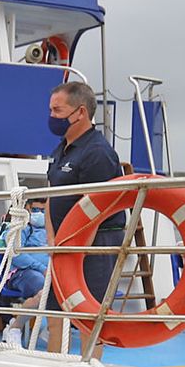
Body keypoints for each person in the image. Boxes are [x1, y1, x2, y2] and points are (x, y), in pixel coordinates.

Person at [46, 81, 123, 351]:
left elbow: (98, 210)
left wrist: (75, 248)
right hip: (64, 244)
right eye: (51, 110)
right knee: (54, 315)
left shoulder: (98, 154)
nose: (51, 117)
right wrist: (53, 240)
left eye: (57, 110)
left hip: (96, 243)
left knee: (90, 316)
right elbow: (51, 196)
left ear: (79, 112)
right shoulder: (61, 149)